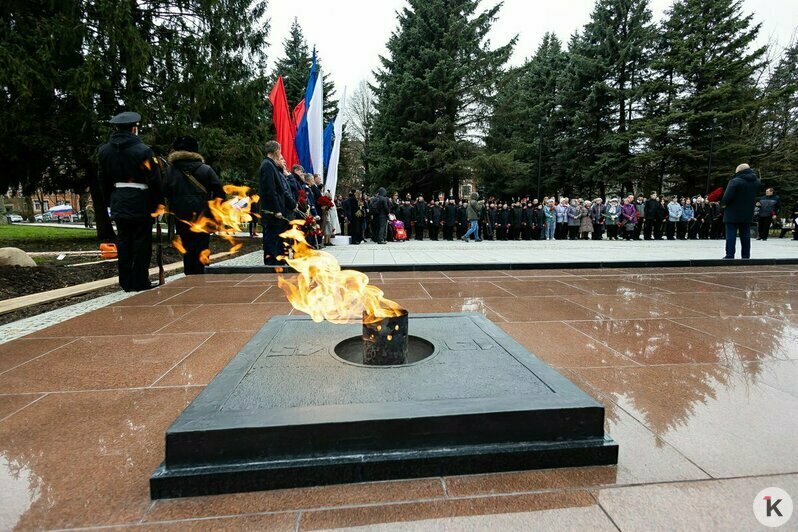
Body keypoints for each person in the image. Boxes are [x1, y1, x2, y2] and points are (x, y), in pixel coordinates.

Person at [98, 111, 163, 292]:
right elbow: (155, 179)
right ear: (134, 129)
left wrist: (109, 201)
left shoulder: (104, 151)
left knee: (124, 241)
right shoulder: (143, 150)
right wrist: (159, 202)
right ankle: (140, 281)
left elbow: (102, 179)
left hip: (118, 199)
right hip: (141, 200)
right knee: (142, 242)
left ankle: (126, 281)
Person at [163, 135, 224, 275]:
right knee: (202, 246)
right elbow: (219, 192)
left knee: (187, 247)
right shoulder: (206, 169)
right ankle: (202, 274)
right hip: (203, 215)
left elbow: (165, 191)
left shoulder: (171, 171)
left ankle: (189, 275)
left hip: (181, 216)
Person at [259, 141, 294, 266]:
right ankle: (271, 262)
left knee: (277, 238)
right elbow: (270, 190)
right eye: (280, 150)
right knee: (271, 238)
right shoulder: (267, 165)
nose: (280, 153)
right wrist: (276, 210)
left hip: (277, 210)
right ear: (276, 151)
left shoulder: (271, 165)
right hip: (272, 211)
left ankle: (278, 260)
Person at [720, 163, 760, 259]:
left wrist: (723, 205)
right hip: (747, 211)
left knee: (731, 233)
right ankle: (746, 255)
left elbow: (727, 197)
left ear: (738, 171)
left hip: (732, 211)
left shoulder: (735, 181)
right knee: (745, 234)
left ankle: (730, 255)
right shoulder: (756, 182)